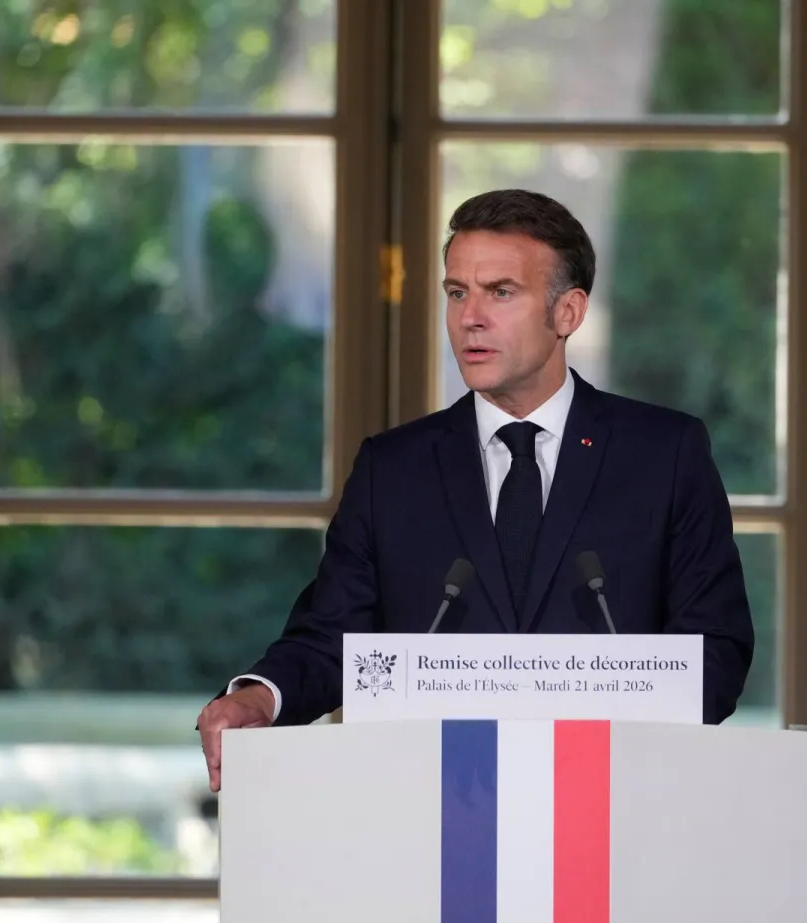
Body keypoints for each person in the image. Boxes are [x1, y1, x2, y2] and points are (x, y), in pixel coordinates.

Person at [196, 188, 754, 791]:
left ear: (568, 312)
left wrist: (611, 732)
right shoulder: (394, 469)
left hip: (613, 810)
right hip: (435, 811)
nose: (469, 318)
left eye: (501, 292)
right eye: (457, 292)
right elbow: (333, 641)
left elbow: (716, 651)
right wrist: (259, 696)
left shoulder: (663, 454)